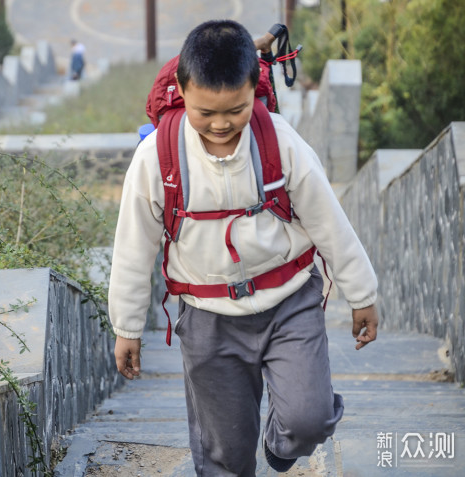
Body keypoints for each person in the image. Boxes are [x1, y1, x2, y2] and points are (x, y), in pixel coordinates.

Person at [108, 19, 379, 476]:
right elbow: (133, 249)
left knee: (309, 421)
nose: (220, 124)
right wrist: (128, 326)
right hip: (208, 319)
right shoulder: (157, 157)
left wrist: (363, 294)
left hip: (290, 302)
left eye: (235, 109)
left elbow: (330, 222)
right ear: (181, 88)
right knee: (225, 456)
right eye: (204, 112)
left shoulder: (280, 141)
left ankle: (281, 444)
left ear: (256, 86)